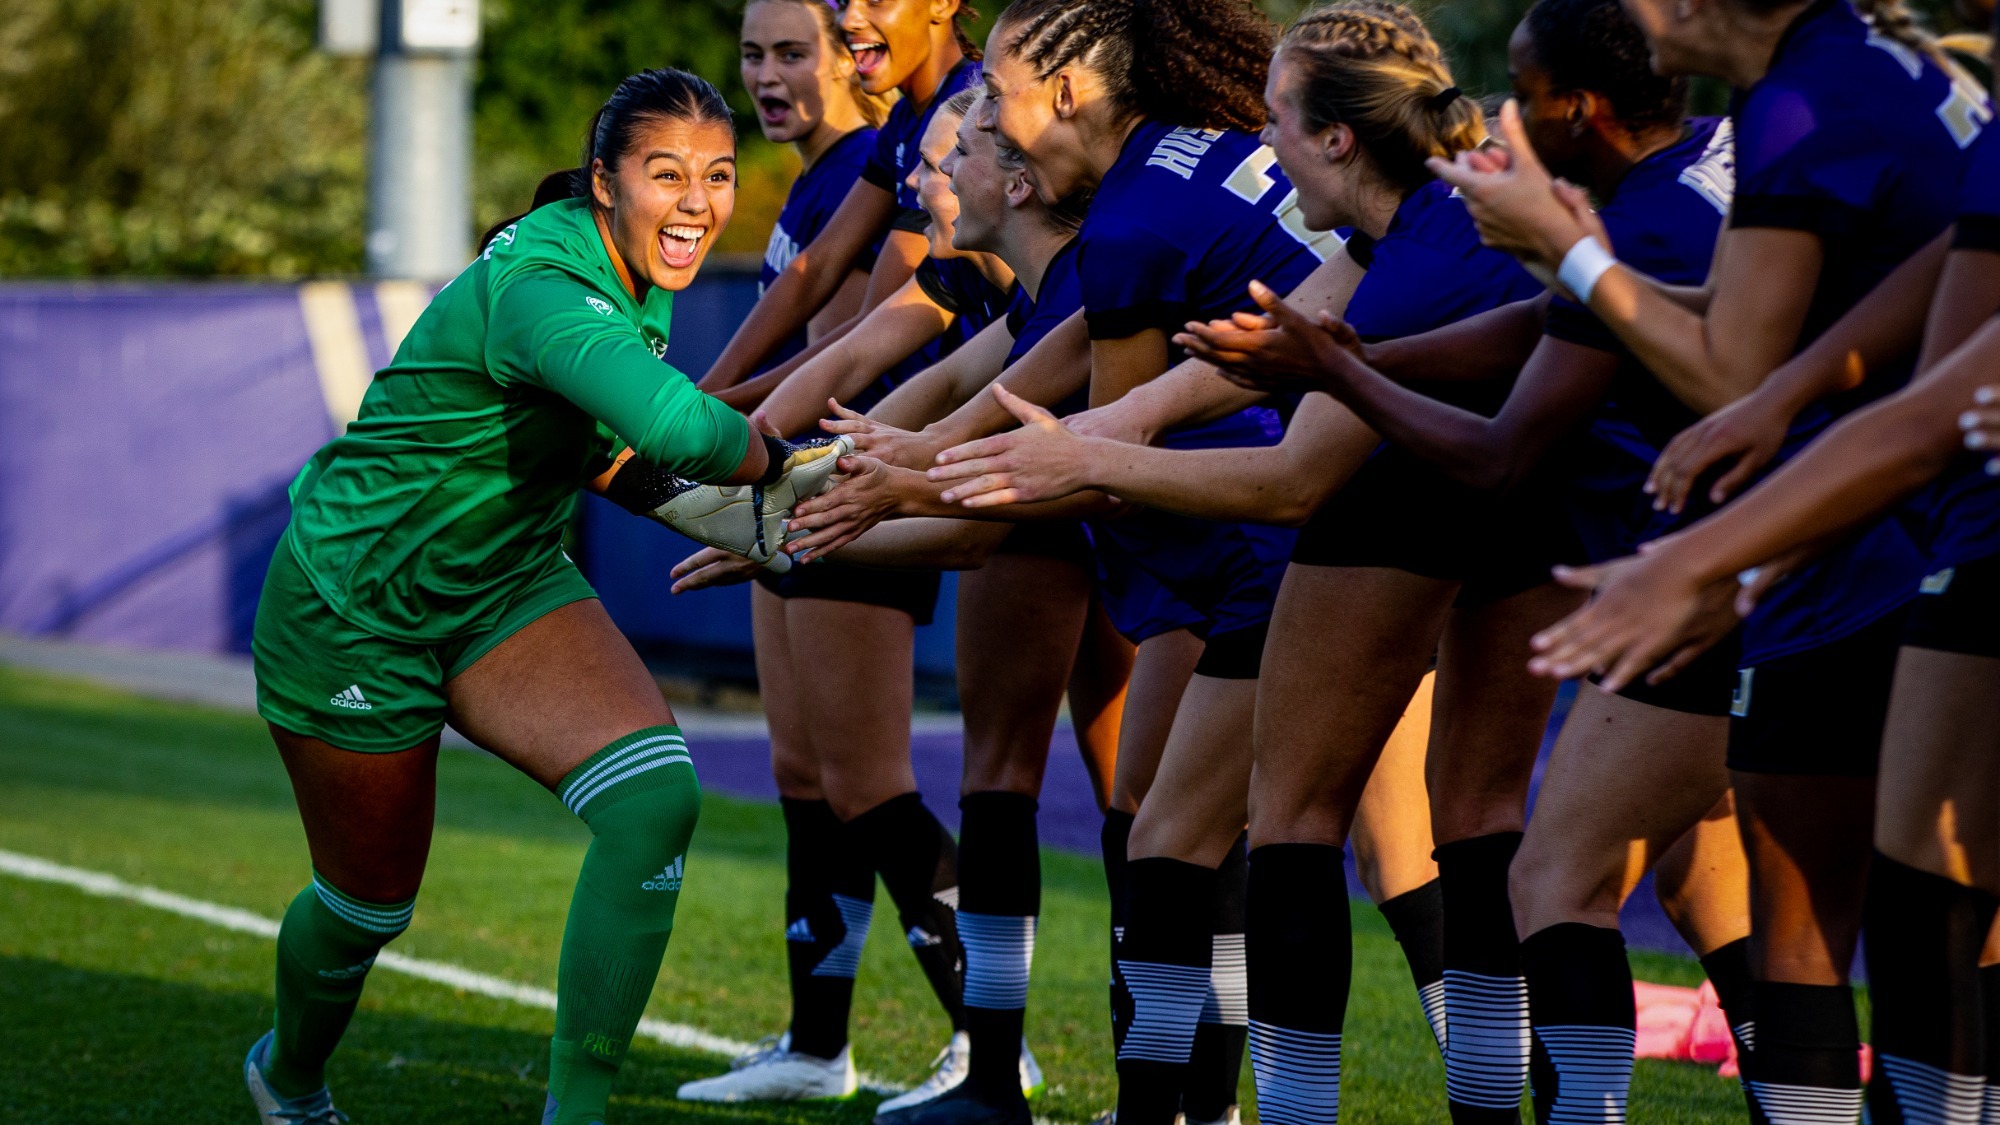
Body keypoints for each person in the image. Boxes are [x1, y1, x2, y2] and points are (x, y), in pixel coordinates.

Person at [926, 4, 1567, 1120]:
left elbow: (1288, 483)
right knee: (1471, 845)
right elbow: (1227, 371)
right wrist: (1019, 456)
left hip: (1362, 540)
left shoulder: (1365, 246)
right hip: (1537, 525)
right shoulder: (1409, 223)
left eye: (1275, 118)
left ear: (1335, 137)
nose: (1255, 140)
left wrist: (1059, 464)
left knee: (1293, 832)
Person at [1161, 1, 1757, 1117]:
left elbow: (1319, 475)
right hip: (1752, 566)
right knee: (1547, 847)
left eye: (1524, 103)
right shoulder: (1722, 162)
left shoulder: (1573, 221)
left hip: (1746, 576)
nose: (1494, 129)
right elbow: (1547, 333)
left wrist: (1063, 470)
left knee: (1318, 822)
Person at [240, 69, 840, 1125]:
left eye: (717, 175)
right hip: (352, 606)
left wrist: (712, 507)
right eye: (667, 176)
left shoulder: (624, 264)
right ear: (604, 183)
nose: (698, 203)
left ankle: (577, 1116)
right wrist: (776, 465)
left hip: (505, 580)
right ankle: (286, 1077)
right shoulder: (545, 291)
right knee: (366, 906)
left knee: (652, 804)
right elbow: (680, 430)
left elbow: (603, 451)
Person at [1429, 0, 1987, 1115]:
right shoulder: (1865, 78)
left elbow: (1769, 378)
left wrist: (1572, 255)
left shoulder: (1801, 99)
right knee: (1930, 912)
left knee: (1828, 925)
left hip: (1875, 543)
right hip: (1883, 533)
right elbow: (1849, 343)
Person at [675, 82, 1042, 1111]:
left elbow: (958, 482)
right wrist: (731, 476)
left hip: (940, 508)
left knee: (898, 782)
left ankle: (997, 1046)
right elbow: (849, 371)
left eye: (941, 158)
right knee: (809, 773)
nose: (915, 183)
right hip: (865, 490)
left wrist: (776, 507)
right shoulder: (954, 272)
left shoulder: (1062, 273)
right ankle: (820, 1037)